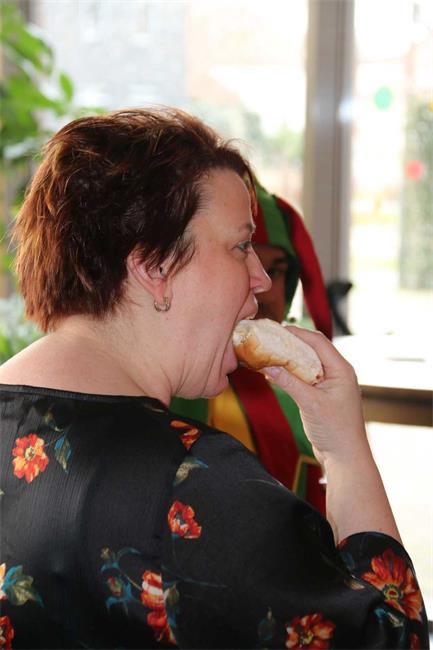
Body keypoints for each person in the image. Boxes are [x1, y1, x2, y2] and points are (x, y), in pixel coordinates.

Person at [0, 108, 428, 650]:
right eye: (241, 246)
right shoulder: (198, 488)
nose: (262, 279)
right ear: (154, 267)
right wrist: (344, 451)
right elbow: (393, 639)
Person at [171, 183, 333, 513]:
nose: (266, 289)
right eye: (242, 254)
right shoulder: (162, 387)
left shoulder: (308, 395)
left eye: (278, 270)